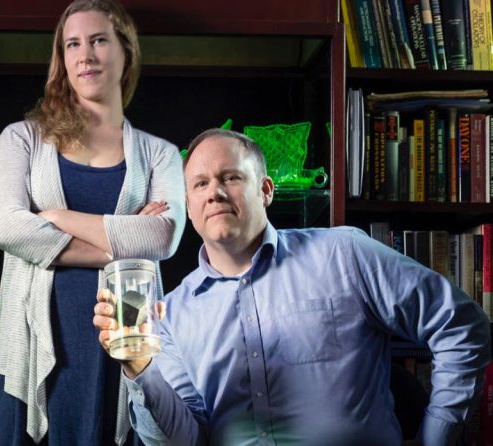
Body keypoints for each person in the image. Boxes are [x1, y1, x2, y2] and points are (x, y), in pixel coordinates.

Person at [93, 128, 492, 446]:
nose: (213, 192)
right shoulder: (172, 315)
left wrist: (435, 437)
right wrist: (139, 367)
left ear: (266, 190)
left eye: (230, 177)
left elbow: (461, 325)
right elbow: (184, 440)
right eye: (198, 185)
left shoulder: (343, 254)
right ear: (189, 208)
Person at [0, 0, 186, 444]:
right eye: (72, 44)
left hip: (127, 345)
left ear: (125, 52)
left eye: (98, 40)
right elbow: (4, 226)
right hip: (32, 351)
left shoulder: (161, 155)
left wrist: (56, 217)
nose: (85, 55)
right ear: (62, 59)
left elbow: (162, 236)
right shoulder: (20, 140)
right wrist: (117, 246)